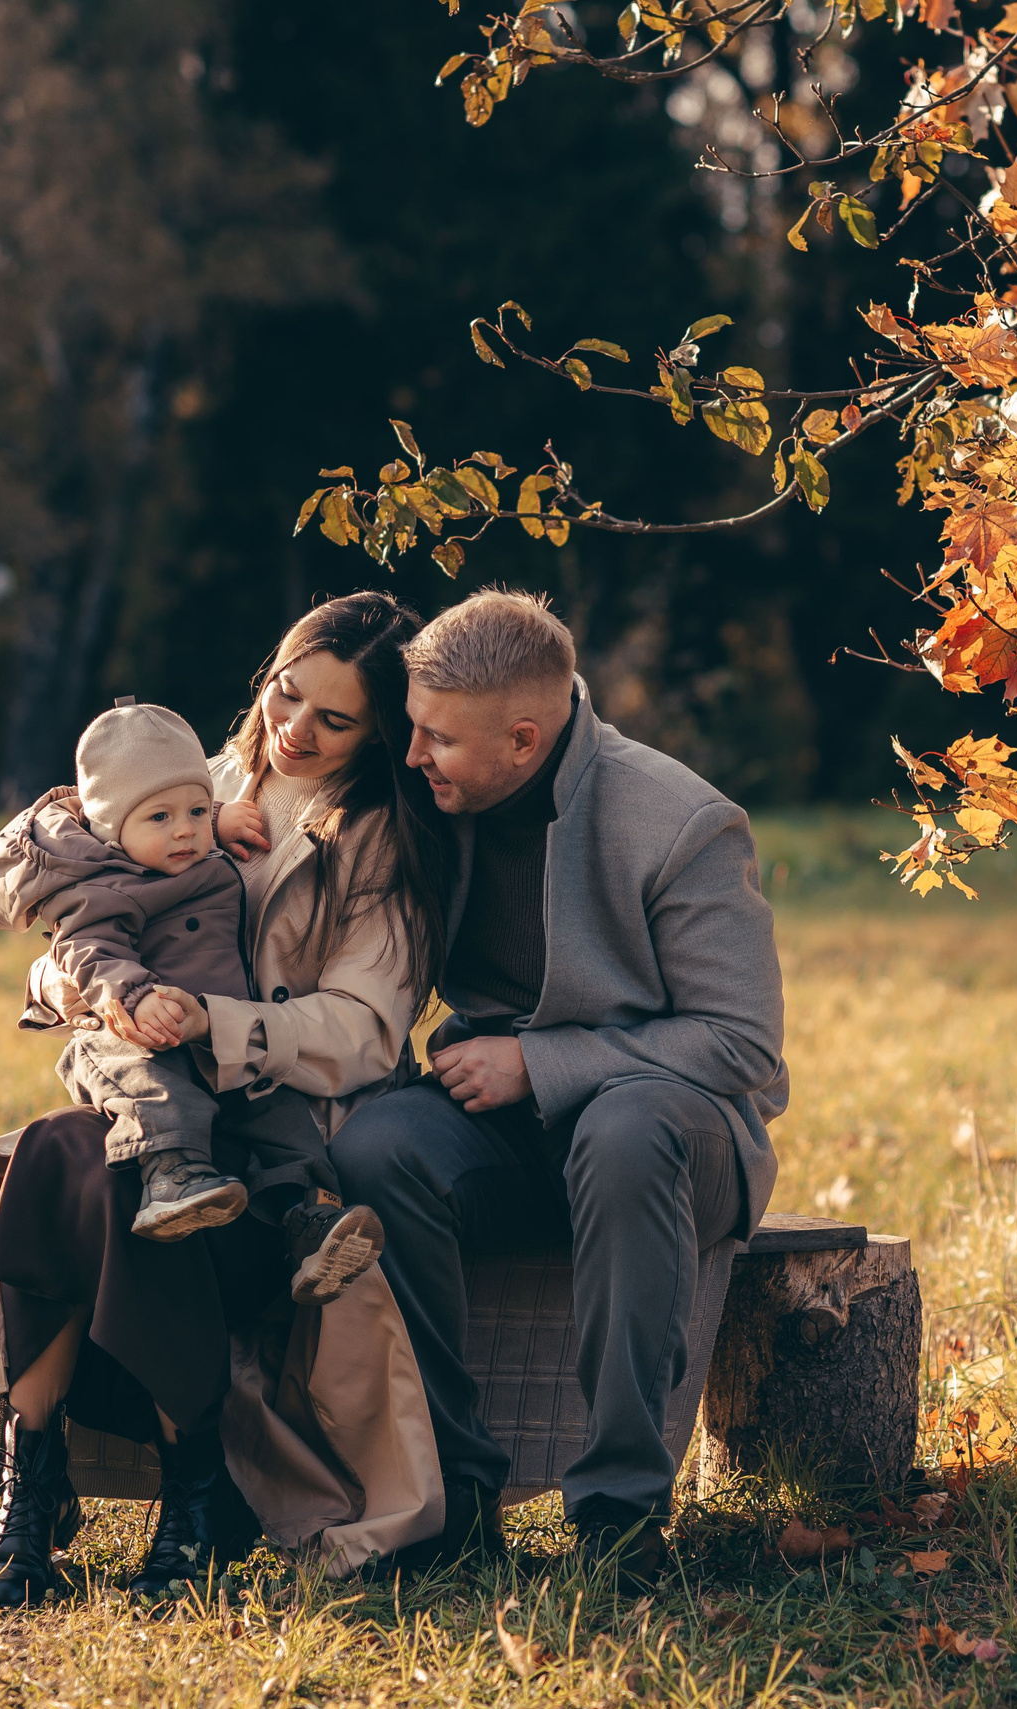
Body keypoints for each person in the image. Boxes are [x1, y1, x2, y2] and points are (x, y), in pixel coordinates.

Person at [0, 591, 451, 1610]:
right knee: (76, 1153)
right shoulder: (201, 776)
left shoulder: (381, 841)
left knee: (81, 1166)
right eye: (286, 695)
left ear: (381, 733)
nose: (294, 730)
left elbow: (366, 1030)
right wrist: (57, 986)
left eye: (334, 720)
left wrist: (208, 1019)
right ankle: (93, 1484)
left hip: (270, 1142)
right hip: (146, 1107)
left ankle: (110, 1488)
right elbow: (47, 888)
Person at [334, 589, 787, 1587]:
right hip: (505, 1132)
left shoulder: (680, 821)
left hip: (671, 1141)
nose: (412, 756)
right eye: (413, 727)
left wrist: (544, 1062)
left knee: (623, 1129)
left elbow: (741, 1042)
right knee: (376, 1143)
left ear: (525, 738)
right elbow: (276, 761)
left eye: (438, 739)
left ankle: (619, 1518)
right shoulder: (434, 787)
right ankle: (452, 1499)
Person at [0, 698, 384, 1301]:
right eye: (163, 818)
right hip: (134, 1037)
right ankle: (171, 1180)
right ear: (112, 829)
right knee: (158, 1093)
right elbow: (88, 953)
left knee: (279, 1117)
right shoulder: (100, 887)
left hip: (214, 1036)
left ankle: (311, 1220)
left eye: (196, 810)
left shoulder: (189, 848)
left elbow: (172, 812)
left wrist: (215, 820)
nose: (186, 830)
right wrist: (134, 998)